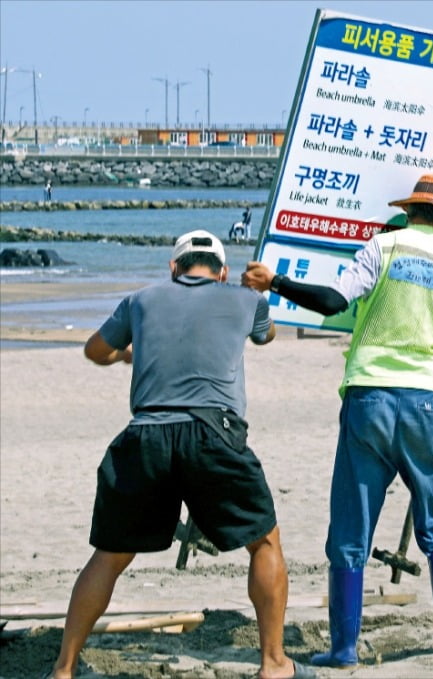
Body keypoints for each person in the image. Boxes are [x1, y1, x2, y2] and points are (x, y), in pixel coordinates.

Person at [242, 173, 433, 667]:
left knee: (351, 528)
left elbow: (335, 300)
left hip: (371, 398)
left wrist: (275, 281)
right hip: (429, 404)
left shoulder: (384, 248)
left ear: (411, 212)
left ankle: (343, 648)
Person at [49, 229, 315, 679]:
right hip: (215, 433)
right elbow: (266, 336)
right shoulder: (246, 299)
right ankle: (273, 664)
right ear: (223, 271)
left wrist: (123, 356)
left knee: (109, 554)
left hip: (146, 435)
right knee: (264, 542)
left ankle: (63, 669)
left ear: (173, 267)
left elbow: (95, 349)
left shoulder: (141, 300)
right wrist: (254, 294)